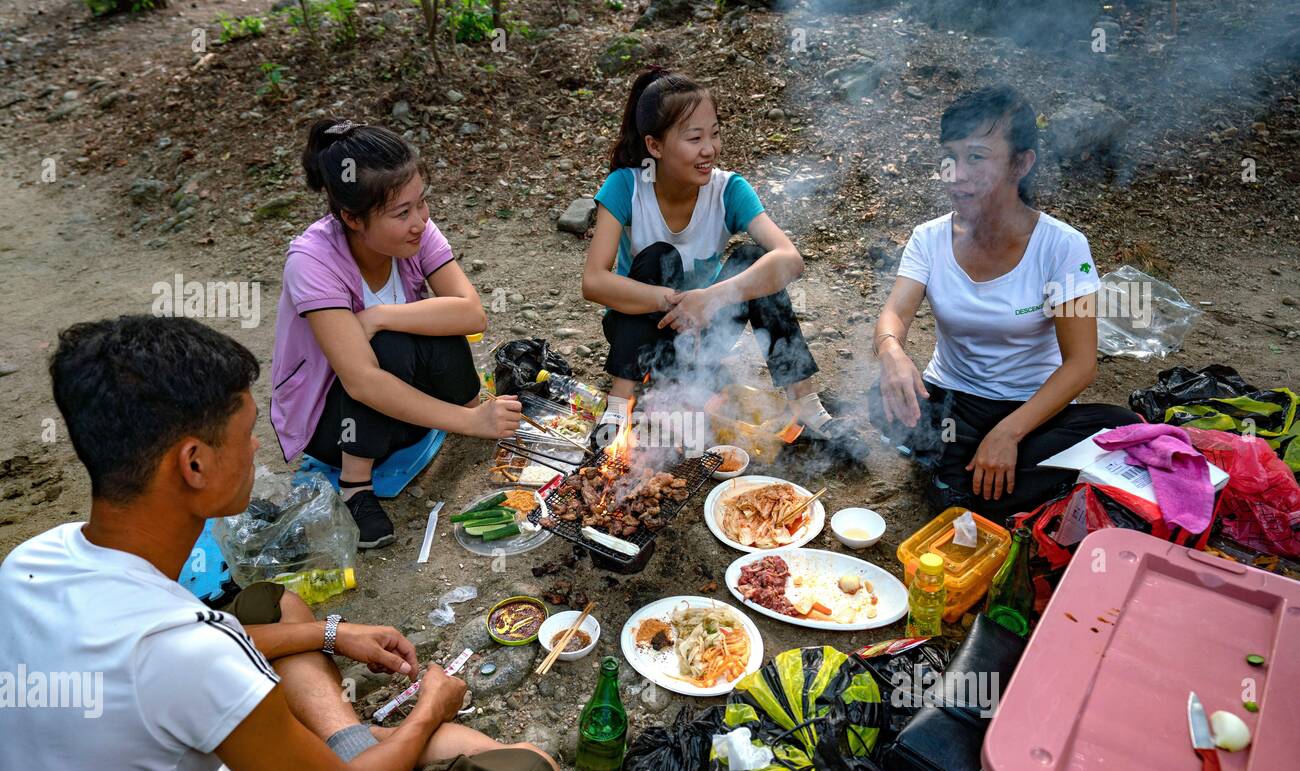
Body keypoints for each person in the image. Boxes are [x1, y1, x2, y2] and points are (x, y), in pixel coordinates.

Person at [0, 315, 560, 771]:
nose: (255, 452)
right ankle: (360, 749)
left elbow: (169, 663)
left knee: (270, 602)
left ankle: (349, 744)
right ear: (193, 463)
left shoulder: (33, 560)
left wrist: (335, 632)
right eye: (245, 435)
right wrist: (429, 710)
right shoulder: (185, 652)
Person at [871, 85, 1141, 524]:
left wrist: (1009, 432)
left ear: (1021, 163)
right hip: (953, 399)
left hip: (1032, 408)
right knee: (883, 398)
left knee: (1124, 427)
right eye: (950, 157)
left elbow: (1081, 364)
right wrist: (892, 352)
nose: (956, 173)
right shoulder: (930, 238)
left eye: (976, 157)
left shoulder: (1061, 247)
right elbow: (894, 314)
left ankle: (966, 471)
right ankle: (978, 474)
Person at [581, 68, 869, 462]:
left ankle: (806, 405)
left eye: (714, 133)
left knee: (755, 259)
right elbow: (594, 282)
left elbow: (790, 260)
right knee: (656, 257)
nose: (709, 149)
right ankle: (618, 408)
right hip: (643, 338)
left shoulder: (728, 189)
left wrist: (710, 299)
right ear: (655, 145)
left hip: (705, 336)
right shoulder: (626, 187)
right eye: (694, 137)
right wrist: (672, 300)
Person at [271, 119, 523, 548]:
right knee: (383, 345)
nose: (419, 221)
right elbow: (361, 381)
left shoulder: (415, 232)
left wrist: (383, 314)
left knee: (418, 320)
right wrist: (469, 421)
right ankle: (356, 488)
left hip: (403, 414)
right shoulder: (312, 262)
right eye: (402, 212)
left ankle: (459, 417)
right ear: (352, 218)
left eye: (421, 203)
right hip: (336, 425)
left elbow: (471, 313)